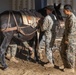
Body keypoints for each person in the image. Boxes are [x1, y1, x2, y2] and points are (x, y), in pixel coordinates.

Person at [60, 4, 76, 73]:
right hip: (65, 37)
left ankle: (71, 68)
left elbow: (72, 31)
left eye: (64, 10)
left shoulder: (72, 18)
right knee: (62, 50)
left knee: (70, 53)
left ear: (68, 10)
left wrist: (67, 39)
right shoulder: (68, 17)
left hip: (71, 39)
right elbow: (67, 29)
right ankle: (66, 64)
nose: (63, 11)